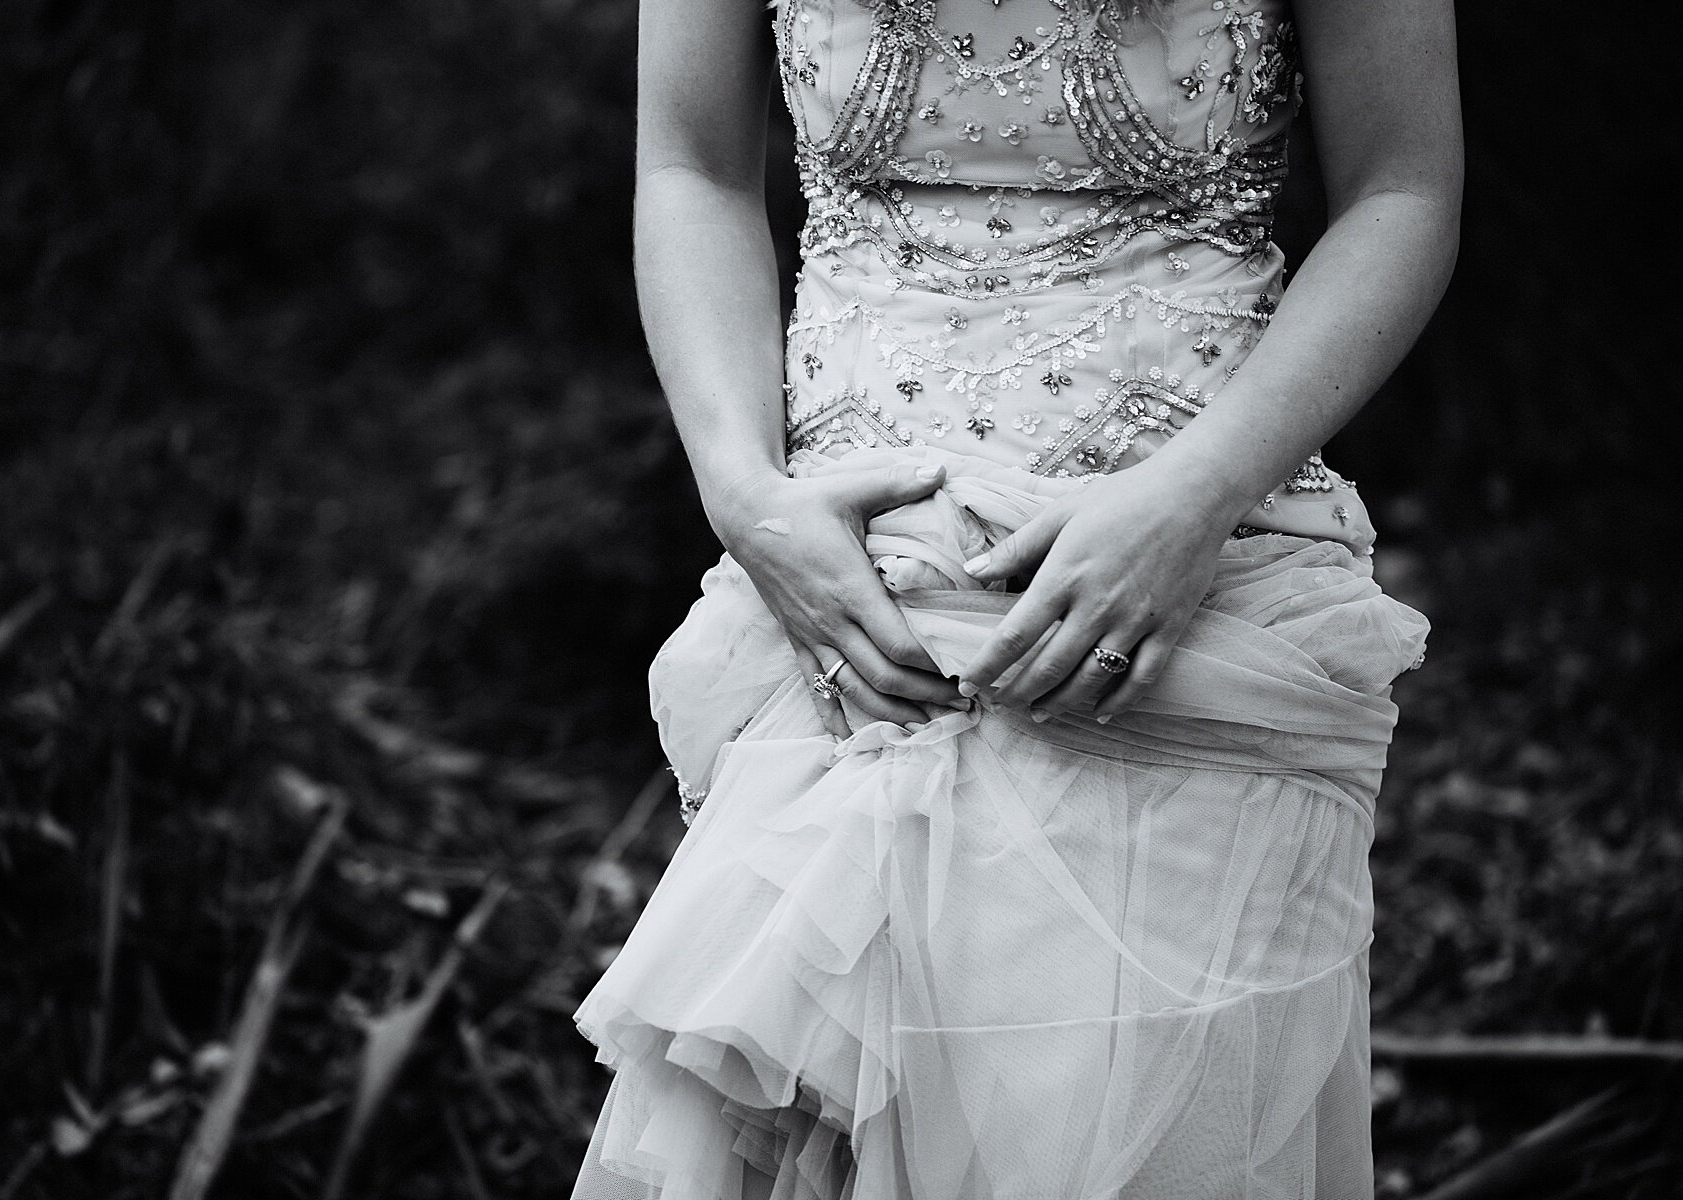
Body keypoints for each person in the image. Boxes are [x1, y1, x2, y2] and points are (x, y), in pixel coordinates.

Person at [572, 0, 1461, 1194]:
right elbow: (690, 164)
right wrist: (744, 493)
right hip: (848, 613)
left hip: (1191, 607)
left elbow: (1402, 185)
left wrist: (1195, 495)